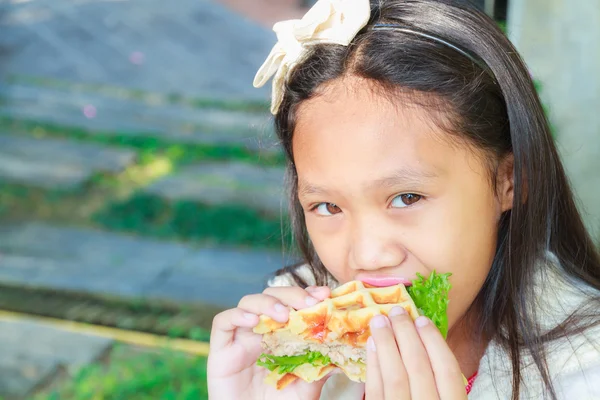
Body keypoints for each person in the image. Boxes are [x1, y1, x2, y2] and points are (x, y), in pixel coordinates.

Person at [207, 0, 600, 398]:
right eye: (327, 207)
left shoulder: (585, 375)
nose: (368, 256)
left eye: (406, 197)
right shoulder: (299, 338)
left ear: (509, 182)